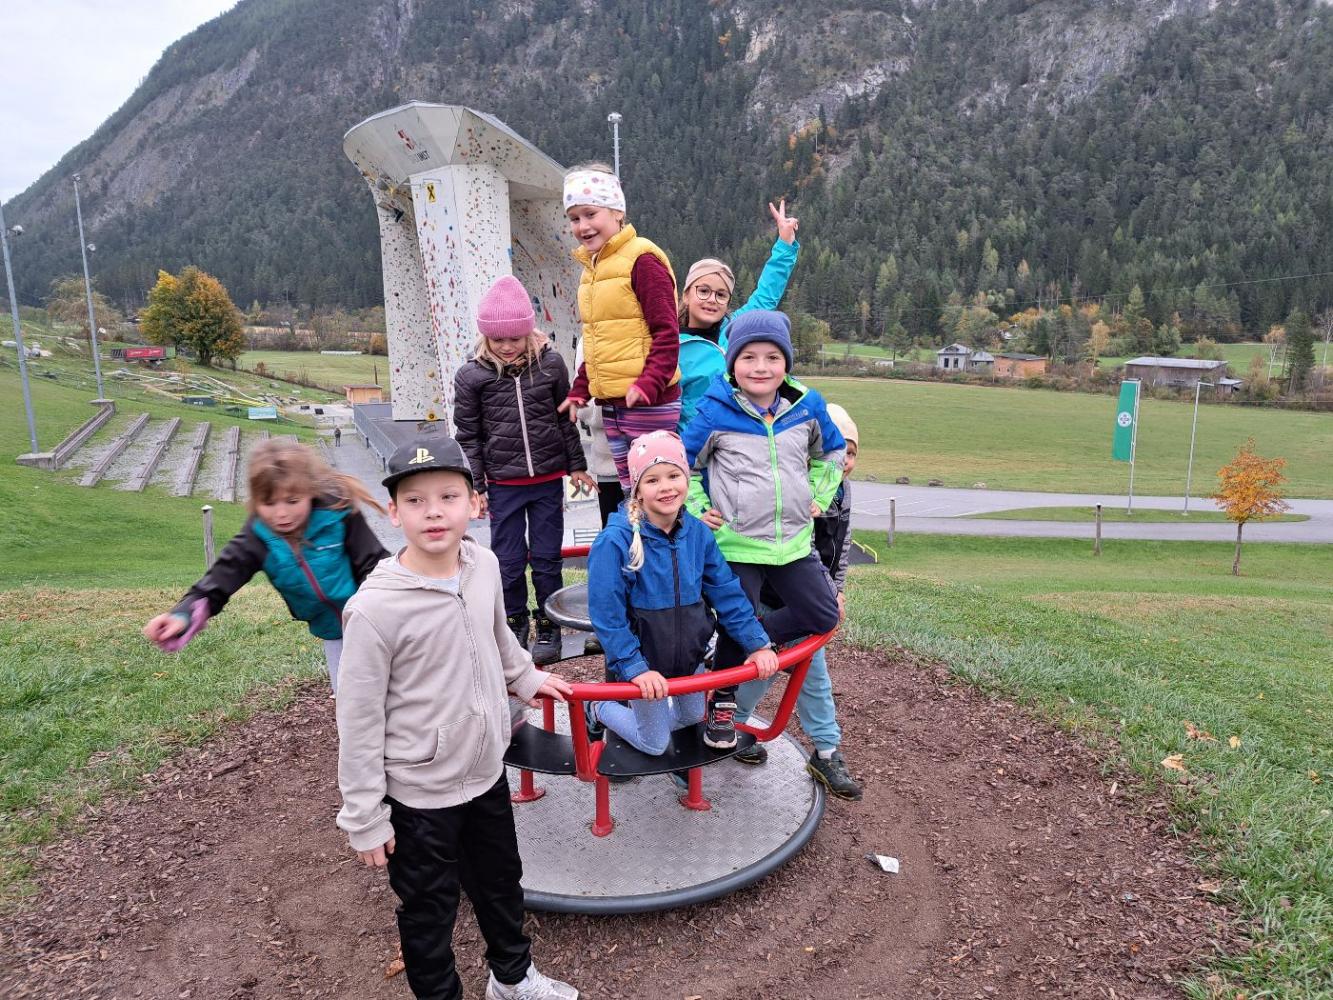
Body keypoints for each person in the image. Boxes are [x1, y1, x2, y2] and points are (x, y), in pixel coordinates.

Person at [336, 436, 579, 1000]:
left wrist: (525, 677)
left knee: (501, 883)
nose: (433, 512)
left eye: (448, 496)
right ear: (393, 512)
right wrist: (365, 816)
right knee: (430, 910)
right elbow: (359, 720)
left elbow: (497, 636)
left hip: (486, 771)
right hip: (420, 794)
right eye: (415, 501)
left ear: (475, 503)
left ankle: (512, 978)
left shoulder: (483, 565)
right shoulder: (375, 610)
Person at [682, 309, 845, 749]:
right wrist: (698, 507)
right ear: (733, 363)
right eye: (749, 357)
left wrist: (819, 494)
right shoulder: (715, 409)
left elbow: (832, 453)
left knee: (823, 614)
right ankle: (723, 703)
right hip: (737, 543)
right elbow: (685, 464)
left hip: (792, 543)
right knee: (741, 616)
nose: (760, 367)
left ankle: (739, 640)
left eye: (772, 357)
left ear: (786, 363)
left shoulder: (807, 405)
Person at [141, 439, 387, 695]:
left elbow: (374, 564)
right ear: (256, 501)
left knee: (391, 690)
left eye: (292, 501)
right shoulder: (256, 538)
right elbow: (218, 581)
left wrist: (380, 612)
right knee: (349, 701)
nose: (281, 514)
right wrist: (182, 614)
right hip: (332, 632)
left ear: (309, 491)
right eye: (269, 504)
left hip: (373, 621)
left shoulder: (338, 514)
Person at [585, 430, 778, 757]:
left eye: (674, 476)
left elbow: (726, 592)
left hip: (689, 655)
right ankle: (597, 706)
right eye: (653, 480)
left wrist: (757, 644)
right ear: (637, 489)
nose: (666, 487)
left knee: (692, 715)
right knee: (654, 743)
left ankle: (648, 720)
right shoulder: (616, 541)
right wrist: (634, 667)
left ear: (687, 479)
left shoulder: (698, 534)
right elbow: (608, 615)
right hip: (646, 660)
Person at [454, 275, 595, 665]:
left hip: (547, 479)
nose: (506, 346)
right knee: (508, 560)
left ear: (529, 331)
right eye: (497, 339)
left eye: (514, 338)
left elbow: (565, 419)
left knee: (547, 558)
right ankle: (514, 621)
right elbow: (468, 435)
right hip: (503, 483)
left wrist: (576, 466)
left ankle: (548, 623)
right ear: (485, 337)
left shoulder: (550, 365)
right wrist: (477, 486)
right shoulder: (472, 375)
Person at [731, 402, 863, 800]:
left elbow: (840, 546)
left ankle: (823, 750)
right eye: (835, 453)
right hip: (777, 600)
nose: (843, 462)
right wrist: (826, 593)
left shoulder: (841, 490)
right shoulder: (793, 491)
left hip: (808, 605)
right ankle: (736, 725)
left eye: (850, 453)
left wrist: (837, 588)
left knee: (802, 676)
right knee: (771, 671)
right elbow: (799, 549)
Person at [556, 163, 681, 490]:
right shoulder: (591, 271)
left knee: (656, 491)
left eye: (590, 214)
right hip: (613, 404)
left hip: (649, 402)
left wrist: (649, 384)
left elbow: (667, 333)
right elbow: (599, 345)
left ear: (617, 212)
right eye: (574, 218)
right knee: (631, 494)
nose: (582, 226)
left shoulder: (642, 260)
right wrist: (580, 390)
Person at [677, 199, 801, 434]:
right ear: (686, 295)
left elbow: (766, 295)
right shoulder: (672, 346)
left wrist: (785, 243)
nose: (712, 299)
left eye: (721, 294)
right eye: (703, 291)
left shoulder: (737, 329)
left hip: (746, 439)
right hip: (698, 444)